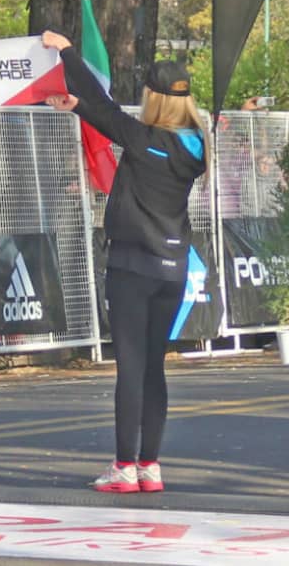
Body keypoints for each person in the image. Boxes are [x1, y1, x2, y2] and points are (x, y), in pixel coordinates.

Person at [41, 30, 208, 494]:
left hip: (133, 266)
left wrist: (67, 51)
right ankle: (150, 465)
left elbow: (104, 105)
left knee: (131, 368)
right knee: (154, 366)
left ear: (153, 98)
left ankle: (123, 467)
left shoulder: (145, 139)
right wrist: (79, 107)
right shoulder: (196, 145)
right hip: (173, 268)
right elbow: (101, 111)